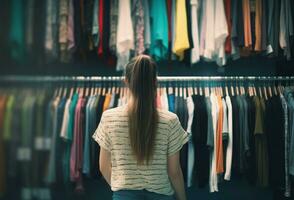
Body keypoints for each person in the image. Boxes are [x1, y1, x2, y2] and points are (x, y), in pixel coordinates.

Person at [93, 55, 188, 200]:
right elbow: (174, 171)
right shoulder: (170, 121)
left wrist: (122, 188)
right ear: (155, 83)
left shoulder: (109, 118)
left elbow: (103, 166)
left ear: (126, 81)